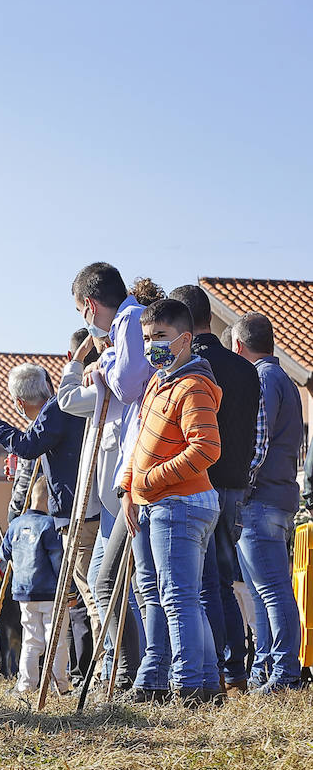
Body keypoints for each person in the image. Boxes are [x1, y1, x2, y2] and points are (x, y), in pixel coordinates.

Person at [120, 299, 223, 704]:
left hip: (180, 504)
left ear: (185, 339)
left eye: (160, 337)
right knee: (176, 596)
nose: (151, 346)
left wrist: (151, 481)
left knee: (178, 598)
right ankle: (204, 680)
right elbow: (140, 443)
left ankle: (188, 685)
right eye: (146, 338)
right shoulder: (158, 383)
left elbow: (207, 448)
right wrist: (131, 488)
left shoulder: (193, 385)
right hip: (153, 504)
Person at [67, 266, 154, 690]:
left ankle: (125, 674)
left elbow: (128, 382)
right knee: (120, 583)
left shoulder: (130, 321)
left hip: (132, 475)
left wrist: (99, 365)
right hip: (120, 481)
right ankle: (123, 672)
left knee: (119, 583)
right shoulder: (127, 322)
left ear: (90, 305)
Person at [170, 284, 259, 694]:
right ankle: (235, 671)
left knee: (199, 584)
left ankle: (214, 671)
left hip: (197, 483)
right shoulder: (244, 368)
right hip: (235, 487)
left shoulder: (185, 368)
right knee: (225, 582)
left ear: (183, 325)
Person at [0, 362, 94, 657]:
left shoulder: (55, 412)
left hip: (77, 514)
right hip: (79, 512)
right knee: (84, 596)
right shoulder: (62, 408)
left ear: (18, 403)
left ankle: (104, 672)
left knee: (89, 595)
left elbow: (26, 447)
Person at [232, 313, 305, 692]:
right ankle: (266, 667)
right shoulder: (285, 381)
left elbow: (257, 442)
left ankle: (284, 673)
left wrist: (239, 488)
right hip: (277, 496)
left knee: (272, 588)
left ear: (237, 347)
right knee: (264, 589)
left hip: (260, 498)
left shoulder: (261, 379)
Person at [0, 479, 68, 697]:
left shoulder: (16, 524)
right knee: (56, 639)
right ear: (51, 499)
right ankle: (59, 686)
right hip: (51, 592)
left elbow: (3, 553)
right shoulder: (49, 525)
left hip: (24, 593)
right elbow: (57, 559)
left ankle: (26, 685)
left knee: (31, 639)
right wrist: (68, 587)